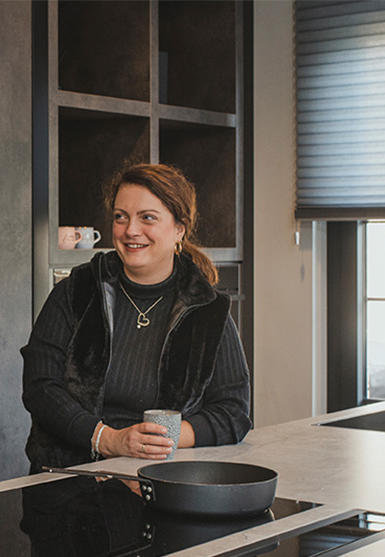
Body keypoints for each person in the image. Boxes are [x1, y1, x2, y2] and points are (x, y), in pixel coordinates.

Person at [21, 163, 251, 473]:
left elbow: (234, 414)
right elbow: (40, 387)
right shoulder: (75, 292)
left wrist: (158, 440)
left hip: (166, 484)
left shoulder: (208, 311)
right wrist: (107, 439)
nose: (130, 230)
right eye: (121, 217)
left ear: (179, 229)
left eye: (148, 218)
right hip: (66, 483)